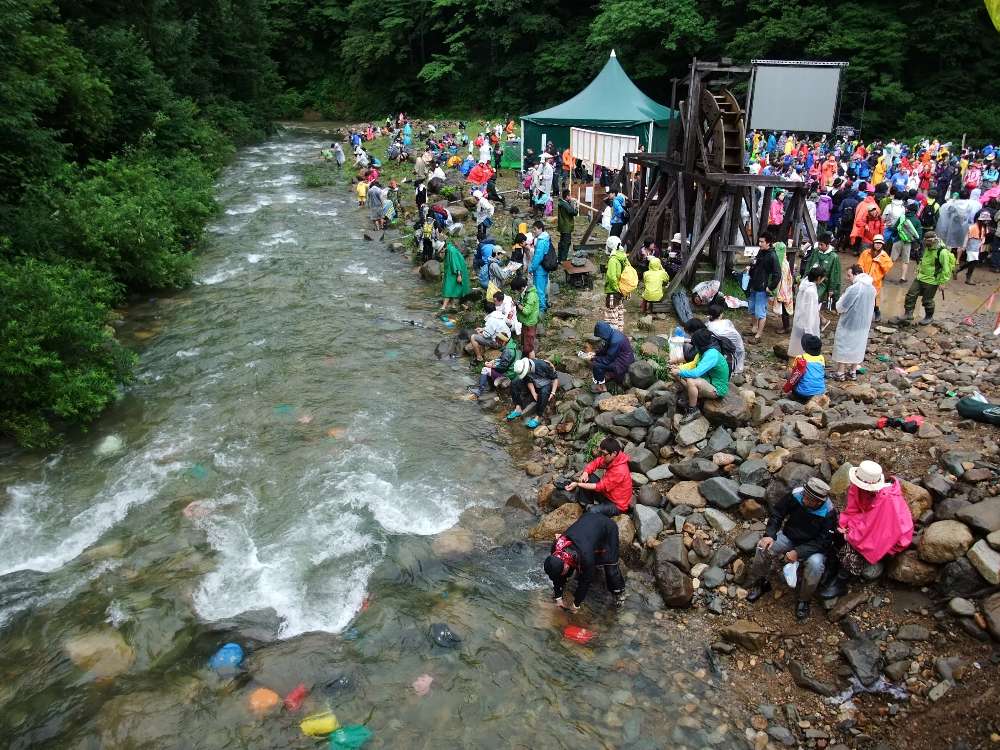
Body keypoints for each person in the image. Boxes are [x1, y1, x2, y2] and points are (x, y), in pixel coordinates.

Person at [820, 461, 914, 599]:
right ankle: (831, 569)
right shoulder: (858, 486)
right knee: (836, 531)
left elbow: (878, 533)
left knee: (855, 551)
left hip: (891, 536)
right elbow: (852, 510)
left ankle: (841, 582)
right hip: (868, 524)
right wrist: (844, 527)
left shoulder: (888, 501)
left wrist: (851, 536)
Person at [747, 477, 837, 620]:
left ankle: (804, 599)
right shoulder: (797, 495)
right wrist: (770, 535)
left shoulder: (829, 513)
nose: (804, 500)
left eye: (808, 499)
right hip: (790, 536)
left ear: (819, 502)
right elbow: (777, 514)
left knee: (815, 565)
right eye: (804, 496)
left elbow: (823, 541)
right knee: (762, 547)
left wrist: (798, 552)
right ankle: (761, 582)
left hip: (813, 546)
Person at [543, 511, 626, 611]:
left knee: (610, 566)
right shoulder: (556, 546)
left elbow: (585, 582)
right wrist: (558, 598)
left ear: (565, 566)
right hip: (587, 522)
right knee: (568, 572)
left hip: (607, 527)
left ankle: (619, 593)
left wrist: (576, 604)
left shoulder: (585, 557)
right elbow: (556, 576)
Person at [895, 232, 956, 325]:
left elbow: (946, 268)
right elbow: (924, 260)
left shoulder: (942, 252)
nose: (927, 242)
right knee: (910, 294)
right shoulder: (928, 247)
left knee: (927, 300)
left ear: (934, 239)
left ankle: (929, 317)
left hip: (932, 280)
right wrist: (918, 269)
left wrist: (943, 282)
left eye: (929, 241)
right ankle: (908, 314)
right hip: (920, 277)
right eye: (925, 240)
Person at [565, 437, 633, 518]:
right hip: (608, 494)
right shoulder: (611, 459)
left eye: (604, 454)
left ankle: (590, 510)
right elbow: (596, 462)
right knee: (588, 477)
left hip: (617, 504)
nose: (602, 456)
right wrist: (586, 472)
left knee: (592, 511)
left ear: (614, 453)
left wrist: (578, 484)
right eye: (601, 453)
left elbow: (600, 487)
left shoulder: (620, 470)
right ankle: (585, 504)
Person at [832, 264, 876, 380]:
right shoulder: (872, 288)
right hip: (864, 325)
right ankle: (853, 371)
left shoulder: (855, 288)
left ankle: (840, 372)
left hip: (849, 323)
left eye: (849, 275)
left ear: (856, 275)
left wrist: (840, 299)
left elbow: (841, 307)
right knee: (858, 346)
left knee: (844, 345)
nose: (848, 278)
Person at [673, 328, 730, 415]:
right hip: (707, 381)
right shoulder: (703, 352)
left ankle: (692, 410)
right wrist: (679, 368)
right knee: (679, 375)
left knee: (691, 381)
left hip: (716, 388)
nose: (693, 346)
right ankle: (692, 396)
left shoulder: (711, 355)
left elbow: (696, 373)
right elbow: (693, 365)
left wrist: (679, 372)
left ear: (699, 344)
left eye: (694, 344)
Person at [747, 231, 780, 341]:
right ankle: (754, 328)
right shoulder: (760, 252)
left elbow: (777, 274)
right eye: (759, 241)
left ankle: (759, 335)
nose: (760, 244)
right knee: (752, 308)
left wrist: (770, 287)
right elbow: (756, 266)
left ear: (768, 243)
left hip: (762, 287)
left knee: (760, 312)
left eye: (762, 242)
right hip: (754, 285)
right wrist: (751, 269)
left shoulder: (772, 256)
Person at [508, 356, 559, 429]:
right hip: (534, 384)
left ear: (528, 367)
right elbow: (529, 381)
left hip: (546, 384)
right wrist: (534, 393)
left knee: (544, 392)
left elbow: (555, 379)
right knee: (514, 383)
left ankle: (538, 417)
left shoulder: (542, 365)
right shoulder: (525, 368)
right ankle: (518, 408)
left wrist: (553, 393)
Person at [470, 329, 520, 398]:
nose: (497, 343)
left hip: (509, 375)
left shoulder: (507, 351)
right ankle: (491, 388)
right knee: (490, 367)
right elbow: (505, 361)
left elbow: (503, 368)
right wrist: (494, 361)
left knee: (485, 369)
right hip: (514, 373)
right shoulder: (512, 345)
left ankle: (479, 391)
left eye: (498, 341)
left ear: (502, 341)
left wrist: (491, 366)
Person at [788, 267, 824, 358]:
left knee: (798, 344)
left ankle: (797, 361)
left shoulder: (805, 285)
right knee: (806, 347)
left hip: (800, 319)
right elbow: (810, 311)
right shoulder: (811, 291)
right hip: (807, 322)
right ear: (819, 278)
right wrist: (809, 329)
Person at [591, 321, 635, 393]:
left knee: (596, 365)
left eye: (600, 335)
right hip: (624, 357)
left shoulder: (615, 341)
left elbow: (607, 360)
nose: (600, 337)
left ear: (603, 333)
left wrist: (594, 358)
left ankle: (602, 388)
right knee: (599, 360)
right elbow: (606, 349)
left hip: (622, 363)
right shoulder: (613, 333)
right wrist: (596, 353)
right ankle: (608, 376)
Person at [858, 234, 893, 321]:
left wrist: (880, 261)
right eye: (876, 243)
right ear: (873, 243)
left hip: (876, 281)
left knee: (874, 298)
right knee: (863, 296)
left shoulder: (884, 256)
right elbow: (860, 264)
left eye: (880, 243)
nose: (878, 245)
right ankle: (863, 313)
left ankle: (877, 312)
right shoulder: (866, 253)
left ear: (882, 245)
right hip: (864, 279)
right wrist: (861, 273)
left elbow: (888, 267)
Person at [802, 231, 841, 308]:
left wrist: (831, 289)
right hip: (811, 280)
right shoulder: (816, 251)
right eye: (819, 244)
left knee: (816, 302)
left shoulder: (833, 257)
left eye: (821, 244)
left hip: (823, 284)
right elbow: (809, 265)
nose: (819, 246)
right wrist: (804, 277)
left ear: (827, 245)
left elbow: (834, 274)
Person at [786, 333, 826, 400]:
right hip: (820, 393)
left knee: (790, 371)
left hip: (802, 393)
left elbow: (794, 373)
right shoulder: (821, 358)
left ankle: (794, 395)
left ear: (804, 347)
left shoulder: (800, 357)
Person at [891, 200, 923, 284]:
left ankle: (883, 273)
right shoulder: (917, 221)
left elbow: (894, 228)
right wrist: (917, 243)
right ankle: (903, 277)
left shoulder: (902, 217)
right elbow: (919, 235)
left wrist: (896, 236)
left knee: (892, 259)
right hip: (907, 243)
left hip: (898, 240)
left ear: (908, 210)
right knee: (905, 261)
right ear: (916, 211)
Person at [706, 306, 746, 373]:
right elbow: (733, 330)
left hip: (719, 344)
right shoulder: (727, 322)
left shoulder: (708, 326)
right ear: (720, 314)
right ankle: (738, 368)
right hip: (734, 343)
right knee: (740, 350)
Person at [956, 210, 991, 284]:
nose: (986, 222)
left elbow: (983, 236)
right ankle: (967, 278)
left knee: (972, 262)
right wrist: (964, 246)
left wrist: (982, 242)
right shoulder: (973, 227)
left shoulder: (984, 228)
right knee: (974, 262)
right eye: (985, 220)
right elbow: (967, 237)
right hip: (971, 245)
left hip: (977, 246)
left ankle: (959, 271)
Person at [604, 236, 629, 331]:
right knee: (619, 313)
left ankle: (612, 336)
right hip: (621, 290)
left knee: (611, 316)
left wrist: (615, 288)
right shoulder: (622, 257)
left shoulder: (613, 260)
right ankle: (619, 333)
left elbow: (611, 276)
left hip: (613, 291)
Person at [770, 241, 795, 333]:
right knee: (785, 307)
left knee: (785, 308)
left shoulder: (782, 264)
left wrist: (780, 291)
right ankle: (786, 326)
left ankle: (786, 327)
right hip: (785, 289)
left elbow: (783, 279)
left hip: (783, 289)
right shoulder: (784, 262)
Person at [440, 238, 470, 311]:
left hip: (455, 272)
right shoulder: (449, 249)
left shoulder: (451, 251)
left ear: (444, 247)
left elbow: (456, 263)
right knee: (453, 287)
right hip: (451, 272)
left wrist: (459, 275)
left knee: (448, 288)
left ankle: (443, 306)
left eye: (441, 250)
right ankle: (453, 305)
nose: (441, 252)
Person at [528, 220, 551, 313]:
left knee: (539, 290)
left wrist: (531, 268)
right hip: (545, 267)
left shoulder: (541, 241)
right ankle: (545, 303)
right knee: (544, 288)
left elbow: (538, 257)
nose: (534, 231)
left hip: (540, 269)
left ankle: (541, 311)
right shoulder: (547, 238)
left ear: (540, 229)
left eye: (535, 229)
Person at [557, 189, 578, 262]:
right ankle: (563, 259)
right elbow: (573, 212)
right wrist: (575, 205)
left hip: (562, 226)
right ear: (567, 196)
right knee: (566, 243)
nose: (571, 197)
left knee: (562, 243)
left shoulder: (562, 203)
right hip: (566, 226)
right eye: (570, 195)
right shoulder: (565, 204)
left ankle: (560, 258)